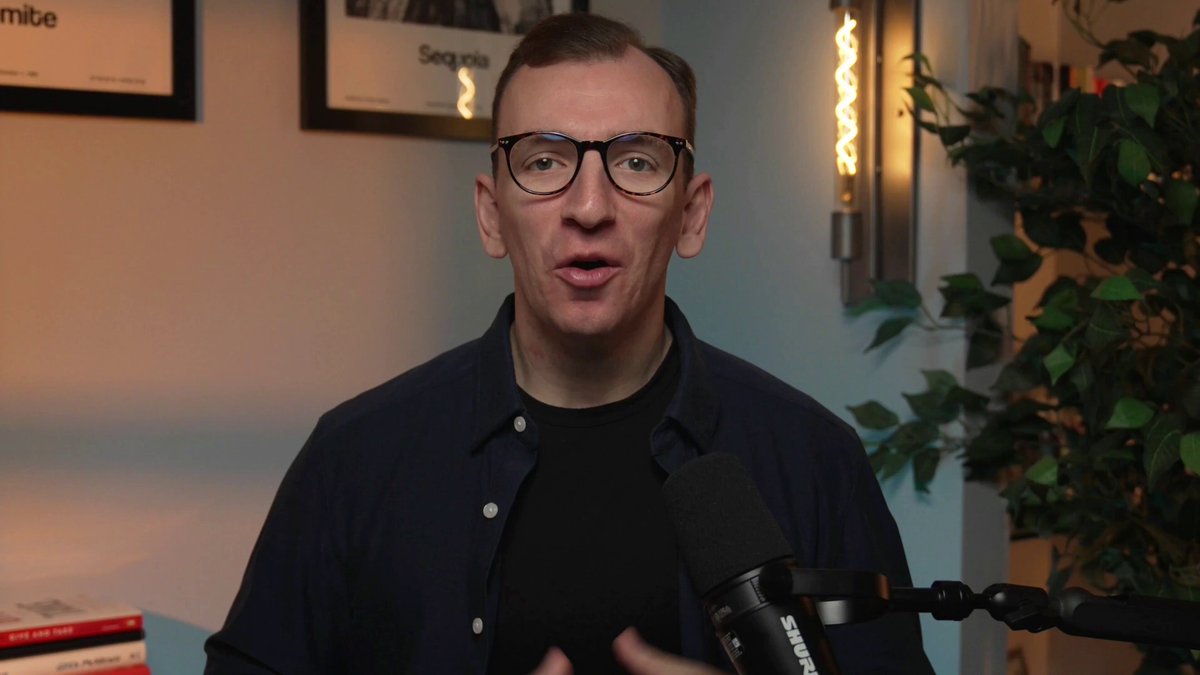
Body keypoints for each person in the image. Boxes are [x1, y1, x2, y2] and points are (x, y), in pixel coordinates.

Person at [204, 12, 934, 675]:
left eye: (638, 161)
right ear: (491, 215)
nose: (589, 207)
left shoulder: (812, 460)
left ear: (692, 215)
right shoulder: (355, 460)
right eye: (544, 162)